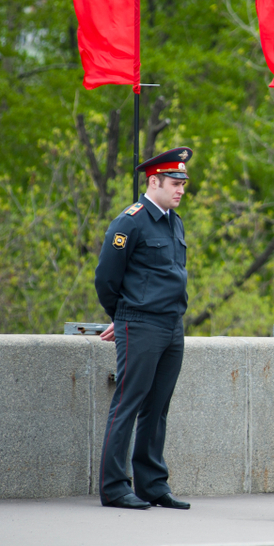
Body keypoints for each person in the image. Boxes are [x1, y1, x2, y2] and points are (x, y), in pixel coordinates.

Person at [93, 147, 194, 510]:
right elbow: (106, 276)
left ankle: (151, 483)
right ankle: (115, 487)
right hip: (141, 322)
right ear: (154, 181)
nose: (181, 189)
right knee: (128, 403)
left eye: (184, 183)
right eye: (174, 183)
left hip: (171, 325)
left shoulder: (173, 221)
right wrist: (120, 316)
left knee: (158, 406)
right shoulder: (130, 221)